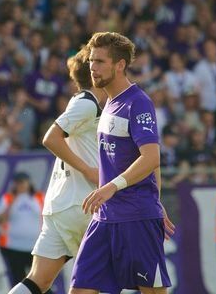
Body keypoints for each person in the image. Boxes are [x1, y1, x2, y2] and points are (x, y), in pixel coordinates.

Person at [70, 32, 174, 294]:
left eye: (100, 61)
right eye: (91, 61)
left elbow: (152, 158)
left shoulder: (138, 103)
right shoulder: (109, 103)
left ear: (120, 65)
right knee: (79, 290)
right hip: (104, 218)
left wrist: (113, 187)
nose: (92, 67)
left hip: (135, 216)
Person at [8, 48, 106, 294]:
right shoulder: (86, 104)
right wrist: (88, 170)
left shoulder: (82, 103)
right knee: (93, 282)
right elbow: (50, 138)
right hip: (84, 204)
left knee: (37, 281)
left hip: (60, 205)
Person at [0, 172, 44, 286]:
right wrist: (11, 203)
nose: (20, 185)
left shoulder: (39, 197)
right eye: (17, 183)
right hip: (13, 246)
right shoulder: (8, 198)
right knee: (18, 281)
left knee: (39, 281)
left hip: (36, 247)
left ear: (29, 183)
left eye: (22, 182)